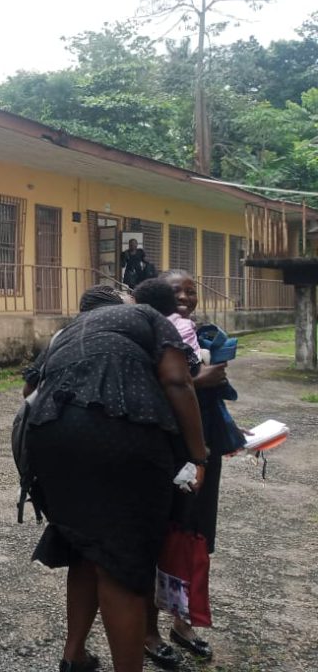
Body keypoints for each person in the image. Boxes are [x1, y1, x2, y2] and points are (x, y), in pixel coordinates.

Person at [25, 284, 208, 672]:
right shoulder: (148, 316)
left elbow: (29, 389)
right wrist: (198, 455)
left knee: (84, 548)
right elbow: (177, 381)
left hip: (49, 436)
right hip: (120, 437)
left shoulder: (68, 331)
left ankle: (74, 656)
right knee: (122, 566)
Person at [137, 272, 241, 667]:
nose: (185, 296)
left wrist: (233, 431)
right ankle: (148, 630)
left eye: (191, 291)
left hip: (203, 451)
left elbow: (205, 402)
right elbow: (155, 388)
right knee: (157, 537)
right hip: (165, 451)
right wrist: (200, 379)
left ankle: (183, 622)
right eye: (176, 290)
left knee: (196, 536)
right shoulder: (147, 332)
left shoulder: (197, 333)